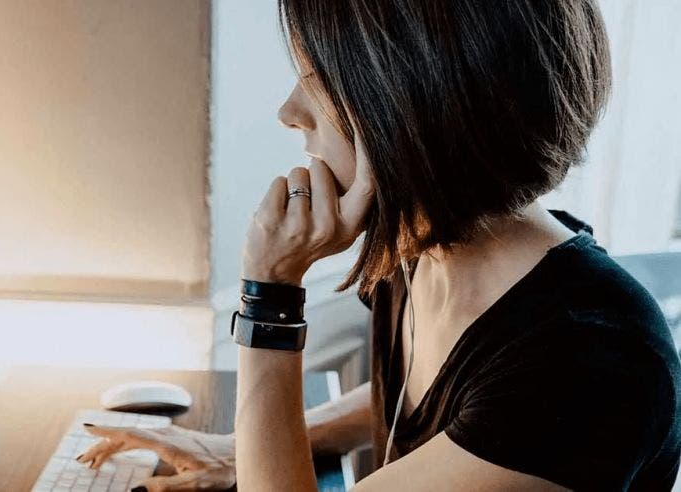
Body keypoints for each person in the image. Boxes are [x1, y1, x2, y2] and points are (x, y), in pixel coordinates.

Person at [77, 0, 681, 490]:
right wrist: (242, 451)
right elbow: (461, 408)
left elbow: (512, 406)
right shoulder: (422, 251)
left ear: (419, 106)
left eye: (319, 81)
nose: (290, 111)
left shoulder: (588, 363)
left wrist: (270, 293)